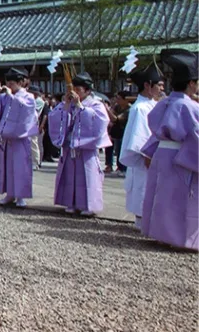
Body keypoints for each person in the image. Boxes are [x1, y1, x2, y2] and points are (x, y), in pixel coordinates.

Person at [136, 49, 198, 250]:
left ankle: (160, 233)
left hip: (162, 153)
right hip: (181, 155)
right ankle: (178, 238)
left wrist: (149, 152)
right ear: (191, 83)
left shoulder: (164, 103)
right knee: (179, 197)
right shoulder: (190, 107)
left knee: (161, 195)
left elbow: (154, 130)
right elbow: (195, 136)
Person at [47, 72, 110, 216]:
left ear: (87, 91)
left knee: (87, 176)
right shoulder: (66, 103)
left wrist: (81, 107)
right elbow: (54, 117)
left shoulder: (96, 105)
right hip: (70, 146)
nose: (74, 92)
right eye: (73, 88)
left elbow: (100, 121)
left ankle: (88, 205)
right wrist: (67, 106)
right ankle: (71, 203)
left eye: (78, 89)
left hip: (86, 148)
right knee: (70, 176)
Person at [119, 65, 164, 222]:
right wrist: (148, 156)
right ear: (147, 85)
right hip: (145, 158)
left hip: (155, 156)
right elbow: (142, 138)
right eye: (158, 84)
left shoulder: (152, 104)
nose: (161, 88)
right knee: (143, 188)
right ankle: (142, 221)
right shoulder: (140, 108)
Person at [0, 67, 37, 208]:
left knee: (20, 167)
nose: (9, 86)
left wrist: (11, 97)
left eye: (12, 83)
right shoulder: (5, 96)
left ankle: (21, 196)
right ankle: (9, 193)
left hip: (20, 139)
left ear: (21, 82)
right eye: (7, 83)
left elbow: (26, 112)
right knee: (7, 167)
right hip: (6, 138)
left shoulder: (28, 97)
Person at [104, 92, 129, 174]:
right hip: (114, 130)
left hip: (123, 131)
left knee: (119, 149)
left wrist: (107, 109)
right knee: (109, 147)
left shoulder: (129, 109)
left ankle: (121, 167)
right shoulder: (116, 107)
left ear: (125, 100)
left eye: (119, 98)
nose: (116, 100)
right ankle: (109, 165)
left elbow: (115, 119)